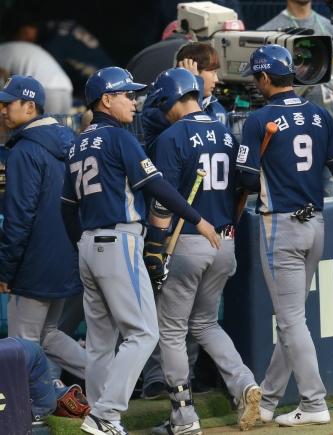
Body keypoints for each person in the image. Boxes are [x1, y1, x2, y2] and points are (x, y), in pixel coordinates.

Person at [60, 66, 220, 435]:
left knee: (100, 343)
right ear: (106, 100)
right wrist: (197, 219)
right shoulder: (119, 138)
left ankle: (101, 419)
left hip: (89, 244)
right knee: (144, 333)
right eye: (126, 95)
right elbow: (158, 187)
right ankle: (105, 414)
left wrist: (81, 245)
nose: (134, 101)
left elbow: (67, 208)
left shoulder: (77, 143)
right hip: (118, 240)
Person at [236, 44, 333, 426]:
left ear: (265, 78)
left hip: (282, 225)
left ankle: (314, 401)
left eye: (257, 78)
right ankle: (269, 400)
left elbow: (245, 181)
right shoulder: (319, 114)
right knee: (294, 321)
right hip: (315, 220)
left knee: (290, 322)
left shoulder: (259, 120)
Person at [145, 67, 261, 435]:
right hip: (224, 241)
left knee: (172, 330)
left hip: (188, 240)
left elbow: (162, 201)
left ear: (170, 98)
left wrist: (155, 246)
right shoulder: (225, 132)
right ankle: (244, 383)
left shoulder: (172, 137)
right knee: (205, 323)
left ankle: (183, 417)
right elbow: (244, 188)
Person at [140, 42, 228, 401]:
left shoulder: (217, 112)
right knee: (163, 311)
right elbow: (155, 121)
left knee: (190, 320)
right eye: (209, 71)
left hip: (199, 231)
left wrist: (195, 92)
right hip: (172, 226)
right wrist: (184, 84)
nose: (216, 78)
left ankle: (182, 385)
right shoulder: (161, 113)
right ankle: (156, 379)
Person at [0, 75, 86, 382]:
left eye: (8, 104)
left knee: (21, 344)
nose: (3, 110)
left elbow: (19, 216)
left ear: (30, 106)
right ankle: (109, 378)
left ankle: (24, 408)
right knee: (49, 334)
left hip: (34, 261)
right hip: (66, 255)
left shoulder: (24, 150)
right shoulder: (70, 140)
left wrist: (5, 270)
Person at [143, 42, 227, 156]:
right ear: (192, 70)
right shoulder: (158, 100)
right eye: (212, 72)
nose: (216, 79)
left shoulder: (216, 107)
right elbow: (193, 125)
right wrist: (194, 82)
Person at [0, 42, 73, 114]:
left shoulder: (3, 51)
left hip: (44, 91)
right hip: (65, 90)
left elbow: (4, 83)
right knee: (58, 122)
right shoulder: (12, 47)